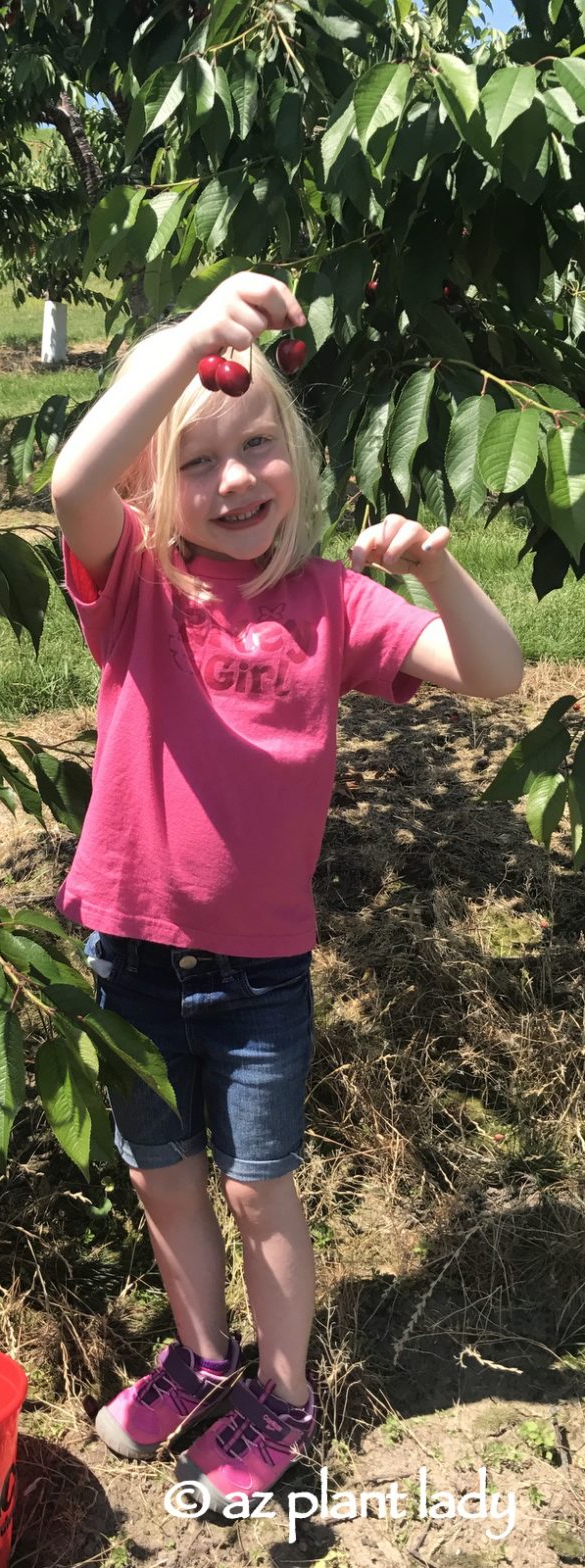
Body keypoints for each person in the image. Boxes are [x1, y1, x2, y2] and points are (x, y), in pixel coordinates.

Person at [49, 271, 523, 1516]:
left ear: (297, 459)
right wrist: (180, 342)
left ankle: (281, 1390)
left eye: (257, 443)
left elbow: (497, 677)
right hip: (131, 952)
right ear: (156, 492)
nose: (235, 478)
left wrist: (440, 575)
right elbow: (68, 482)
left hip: (260, 972)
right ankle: (199, 1353)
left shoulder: (330, 606)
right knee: (162, 1172)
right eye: (195, 461)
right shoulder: (137, 587)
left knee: (258, 1187)